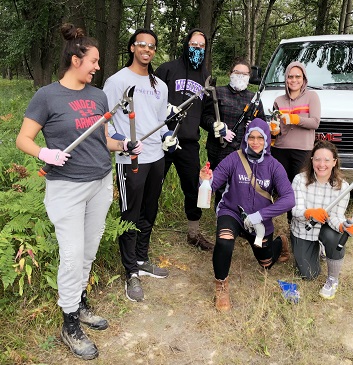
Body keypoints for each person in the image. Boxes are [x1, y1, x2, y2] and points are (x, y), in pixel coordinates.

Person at [16, 23, 134, 360]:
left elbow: (105, 140)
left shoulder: (98, 97)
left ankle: (79, 302)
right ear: (75, 59)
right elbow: (22, 139)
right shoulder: (47, 96)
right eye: (94, 60)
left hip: (99, 183)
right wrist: (44, 153)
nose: (98, 67)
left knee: (87, 252)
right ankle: (69, 322)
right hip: (66, 188)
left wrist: (124, 143)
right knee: (70, 256)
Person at [103, 29, 178, 302]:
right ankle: (130, 272)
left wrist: (167, 136)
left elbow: (159, 123)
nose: (147, 49)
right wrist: (122, 141)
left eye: (152, 46)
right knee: (129, 215)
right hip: (130, 159)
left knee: (149, 210)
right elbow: (105, 120)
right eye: (142, 44)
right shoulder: (116, 81)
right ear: (132, 47)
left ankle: (142, 259)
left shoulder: (160, 84)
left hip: (156, 158)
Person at [199, 118, 295, 311]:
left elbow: (289, 199)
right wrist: (204, 180)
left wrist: (260, 215)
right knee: (224, 239)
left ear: (267, 140)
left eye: (260, 138)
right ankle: (221, 286)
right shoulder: (234, 158)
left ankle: (280, 243)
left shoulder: (274, 166)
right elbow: (212, 184)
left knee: (266, 263)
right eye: (251, 137)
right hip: (232, 212)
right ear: (246, 138)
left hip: (259, 221)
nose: (255, 142)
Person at [155, 29, 217, 251]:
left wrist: (214, 126)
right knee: (153, 185)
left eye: (201, 46)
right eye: (193, 44)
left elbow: (206, 115)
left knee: (193, 187)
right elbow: (151, 100)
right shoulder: (167, 70)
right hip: (161, 140)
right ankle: (142, 229)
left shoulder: (206, 77)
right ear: (186, 44)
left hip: (188, 143)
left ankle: (194, 233)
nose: (197, 49)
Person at [290, 140, 353, 299]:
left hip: (325, 229)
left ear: (334, 162)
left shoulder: (343, 187)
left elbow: (335, 217)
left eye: (327, 160)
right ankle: (318, 249)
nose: (322, 164)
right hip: (303, 231)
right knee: (309, 275)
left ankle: (333, 279)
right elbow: (294, 211)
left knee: (335, 237)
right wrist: (308, 213)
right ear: (311, 160)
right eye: (317, 159)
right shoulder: (299, 180)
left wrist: (343, 227)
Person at [201, 57, 265, 209]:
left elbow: (262, 123)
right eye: (237, 72)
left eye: (245, 74)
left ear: (250, 76)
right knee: (221, 183)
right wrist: (216, 127)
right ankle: (222, 215)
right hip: (219, 148)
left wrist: (256, 126)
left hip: (244, 149)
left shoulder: (254, 98)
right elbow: (204, 117)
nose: (241, 76)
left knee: (242, 182)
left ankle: (240, 214)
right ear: (230, 73)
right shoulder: (217, 93)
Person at [270, 61, 321, 223]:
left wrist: (295, 119)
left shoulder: (312, 96)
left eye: (297, 77)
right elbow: (277, 129)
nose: (293, 80)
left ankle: (294, 223)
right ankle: (266, 220)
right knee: (280, 188)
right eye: (290, 77)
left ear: (304, 78)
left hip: (302, 149)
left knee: (298, 189)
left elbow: (315, 122)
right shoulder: (279, 100)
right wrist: (273, 129)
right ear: (286, 79)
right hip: (280, 149)